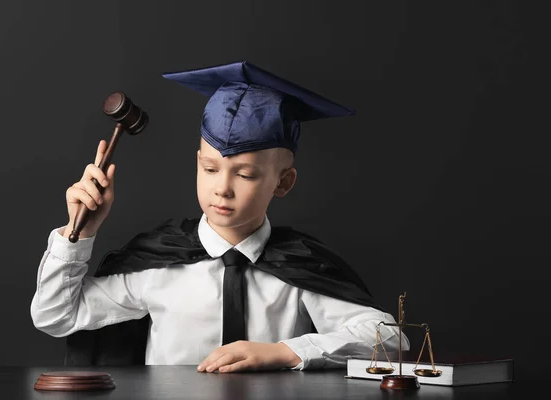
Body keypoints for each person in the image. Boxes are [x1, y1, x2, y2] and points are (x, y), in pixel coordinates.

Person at [30, 60, 409, 372]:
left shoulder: (300, 267)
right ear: (197, 163)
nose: (222, 188)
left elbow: (391, 339)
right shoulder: (157, 266)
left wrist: (286, 351)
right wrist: (78, 233)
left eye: (245, 174)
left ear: (284, 182)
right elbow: (56, 315)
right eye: (210, 169)